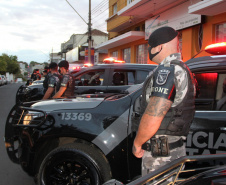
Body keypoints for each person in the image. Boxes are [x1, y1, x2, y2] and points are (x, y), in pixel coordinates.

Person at [132, 27, 196, 182]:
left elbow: (154, 114)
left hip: (159, 156)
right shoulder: (182, 69)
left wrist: (137, 143)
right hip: (172, 151)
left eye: (150, 47)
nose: (148, 50)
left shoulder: (167, 70)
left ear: (158, 47)